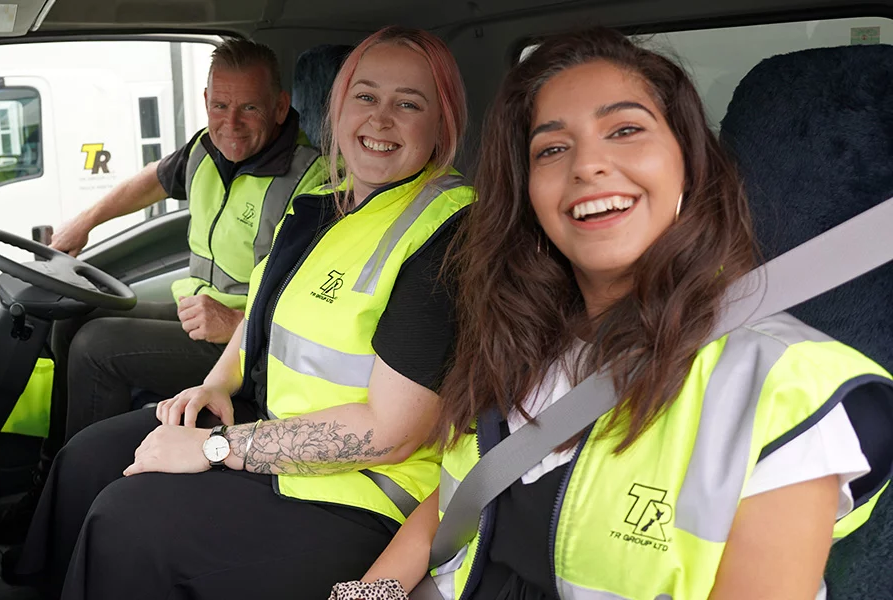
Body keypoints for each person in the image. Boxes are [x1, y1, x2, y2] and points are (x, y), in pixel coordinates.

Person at [332, 29, 893, 600]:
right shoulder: (520, 333)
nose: (589, 165)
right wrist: (364, 595)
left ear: (689, 163)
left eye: (625, 130)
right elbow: (457, 497)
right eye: (552, 148)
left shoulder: (780, 391)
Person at [6, 26, 474, 600]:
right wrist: (216, 383)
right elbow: (262, 313)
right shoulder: (321, 205)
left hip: (363, 488)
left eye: (408, 103)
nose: (380, 119)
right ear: (337, 107)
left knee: (130, 524)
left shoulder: (448, 233)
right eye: (366, 96)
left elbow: (391, 435)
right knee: (86, 461)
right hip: (272, 424)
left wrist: (217, 448)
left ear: (443, 123)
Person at [0, 39, 328, 541]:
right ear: (205, 102)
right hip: (195, 317)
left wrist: (236, 326)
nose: (231, 123)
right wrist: (83, 223)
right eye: (220, 106)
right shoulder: (205, 150)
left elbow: (313, 304)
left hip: (248, 352)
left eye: (249, 108)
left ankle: (75, 514)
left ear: (281, 107)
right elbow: (150, 181)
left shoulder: (310, 181)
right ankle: (51, 483)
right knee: (75, 321)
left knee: (97, 347)